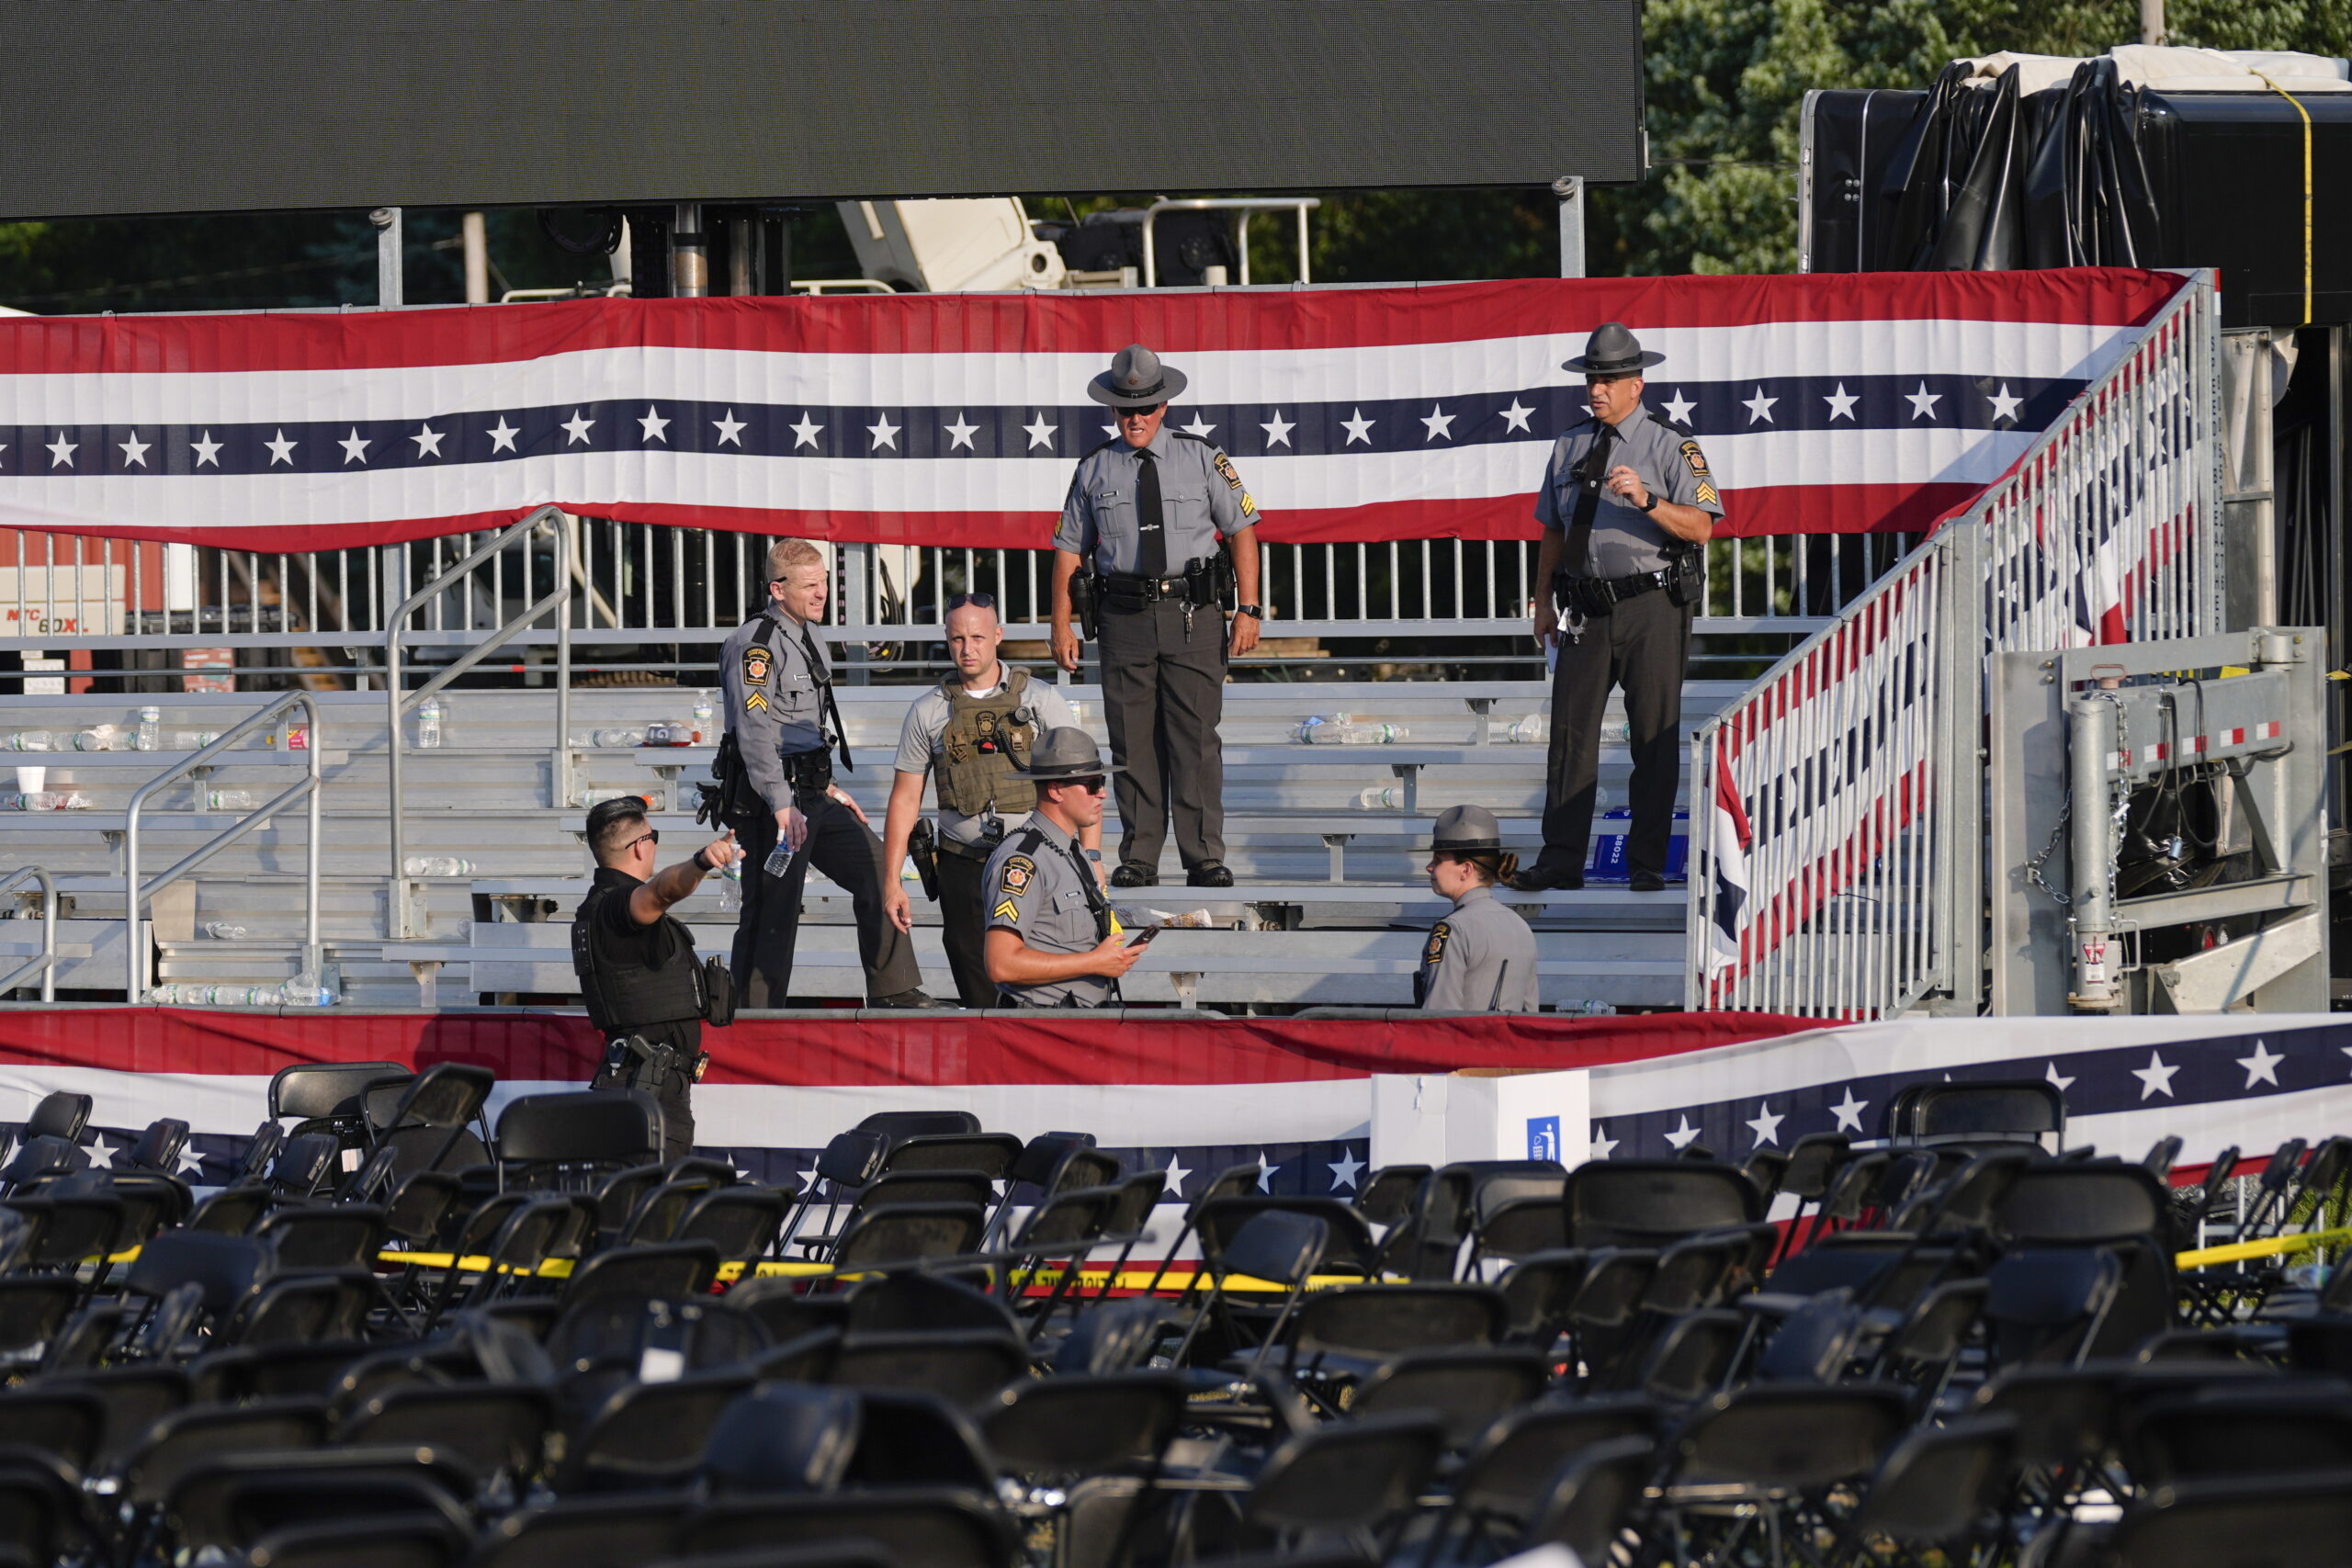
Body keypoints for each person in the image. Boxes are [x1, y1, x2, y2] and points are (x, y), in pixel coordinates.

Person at [1510, 321, 1723, 896]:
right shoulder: (1569, 444)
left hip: (1651, 605)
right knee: (1570, 739)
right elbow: (1552, 530)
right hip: (1584, 607)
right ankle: (1560, 861)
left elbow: (1702, 527)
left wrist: (1649, 500)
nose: (1596, 389)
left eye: (1607, 379)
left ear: (1637, 383)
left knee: (1652, 738)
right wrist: (1543, 602)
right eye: (1591, 378)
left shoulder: (1672, 444)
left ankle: (1647, 862)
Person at [1050, 343, 1263, 890]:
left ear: (1164, 406)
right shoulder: (1095, 468)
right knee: (1132, 743)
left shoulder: (1202, 457)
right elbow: (1069, 549)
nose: (1136, 418)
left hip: (1194, 614)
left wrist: (1249, 609)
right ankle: (1140, 855)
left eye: (1146, 406)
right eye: (1126, 408)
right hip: (1123, 618)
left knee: (1194, 740)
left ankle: (1203, 856)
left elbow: (1242, 531)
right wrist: (1060, 622)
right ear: (1112, 410)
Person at [718, 538, 931, 1008]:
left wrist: (827, 786)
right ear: (778, 589)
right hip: (771, 802)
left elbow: (804, 730)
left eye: (825, 584)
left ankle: (895, 991)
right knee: (773, 911)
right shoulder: (755, 646)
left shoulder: (809, 632)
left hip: (812, 793)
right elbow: (755, 736)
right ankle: (752, 1017)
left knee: (880, 871)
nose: (821, 595)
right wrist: (780, 804)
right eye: (810, 586)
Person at [879, 592, 1100, 1007]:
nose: (968, 649)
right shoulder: (928, 711)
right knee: (976, 985)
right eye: (957, 639)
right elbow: (905, 799)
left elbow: (1082, 781)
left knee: (1046, 982)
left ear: (998, 636)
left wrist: (1092, 860)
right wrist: (892, 884)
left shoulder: (1040, 699)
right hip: (964, 863)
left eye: (978, 637)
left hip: (1038, 864)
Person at [571, 795, 741, 1158]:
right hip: (644, 1091)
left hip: (648, 1087)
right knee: (648, 1207)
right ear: (638, 847)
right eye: (654, 836)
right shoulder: (615, 906)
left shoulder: (603, 905)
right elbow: (662, 890)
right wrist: (701, 862)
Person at [982, 728, 1148, 1008]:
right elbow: (1002, 964)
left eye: (1102, 781)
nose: (1103, 794)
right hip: (1041, 1031)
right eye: (1093, 784)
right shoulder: (1023, 861)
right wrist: (1094, 962)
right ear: (1057, 789)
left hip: (1077, 1025)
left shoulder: (1072, 852)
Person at [1416, 805, 1541, 1012]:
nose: (1429, 867)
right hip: (1510, 1043)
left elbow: (1440, 1014)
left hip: (1465, 1043)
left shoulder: (1453, 929)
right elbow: (1530, 1012)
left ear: (1466, 870)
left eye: (1438, 859)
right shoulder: (1519, 925)